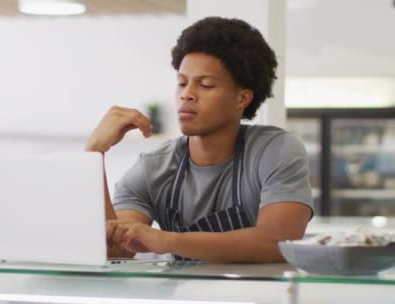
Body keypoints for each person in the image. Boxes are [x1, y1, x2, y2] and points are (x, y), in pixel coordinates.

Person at [85, 17, 313, 263]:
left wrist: (167, 240)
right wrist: (94, 154)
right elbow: (116, 250)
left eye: (205, 85)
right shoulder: (152, 167)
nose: (187, 94)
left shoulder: (275, 151)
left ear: (242, 98)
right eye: (181, 83)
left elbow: (279, 242)